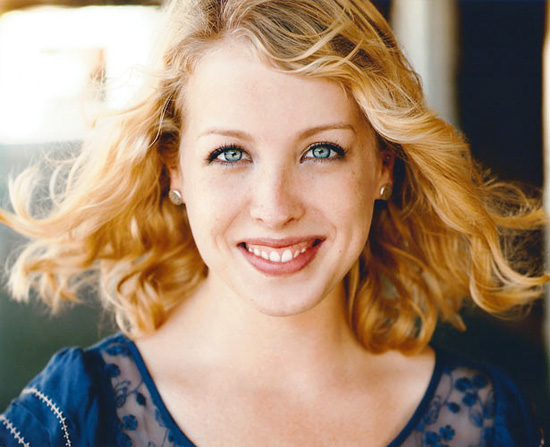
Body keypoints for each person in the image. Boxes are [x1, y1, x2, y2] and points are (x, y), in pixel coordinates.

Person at [0, 0, 547, 445]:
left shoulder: (488, 420)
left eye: (322, 151)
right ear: (174, 170)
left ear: (383, 165)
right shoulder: (74, 417)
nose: (275, 206)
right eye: (230, 154)